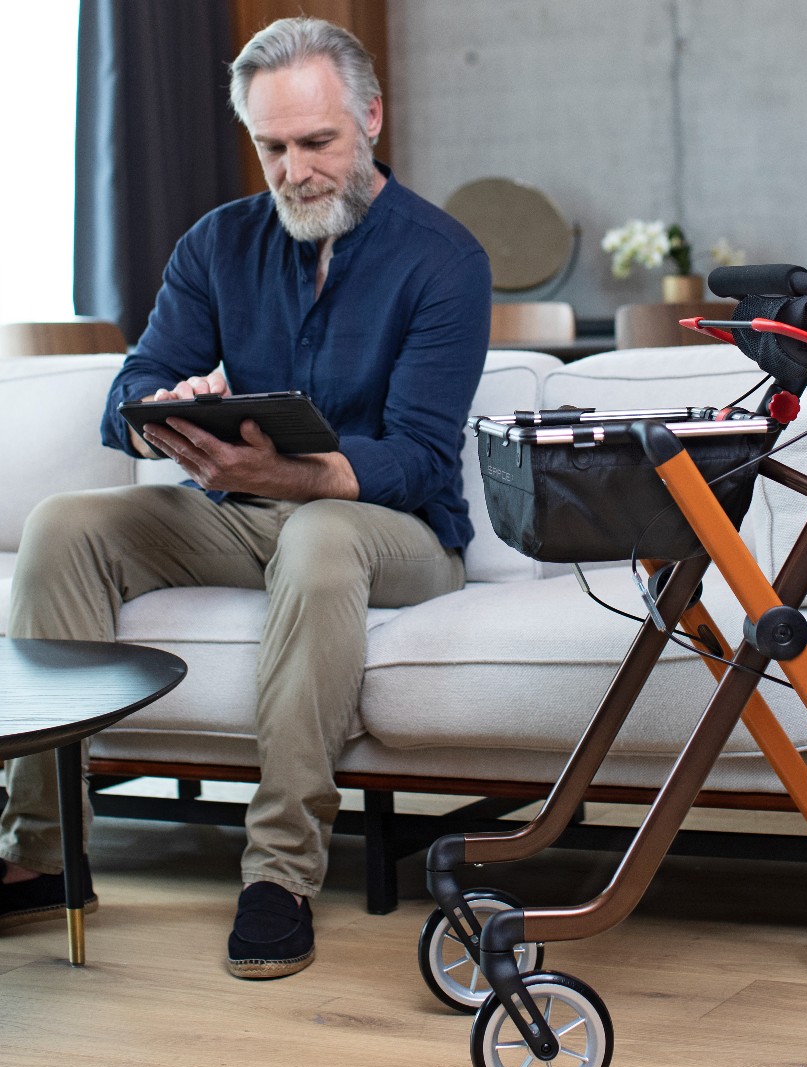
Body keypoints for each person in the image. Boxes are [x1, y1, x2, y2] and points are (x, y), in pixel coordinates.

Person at [0, 17, 491, 979]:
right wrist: (167, 414)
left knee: (316, 536)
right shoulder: (215, 245)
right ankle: (42, 851)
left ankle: (279, 873)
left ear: (372, 120)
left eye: (318, 143)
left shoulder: (445, 258)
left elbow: (422, 461)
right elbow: (125, 396)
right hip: (242, 510)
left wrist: (287, 476)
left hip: (393, 535)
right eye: (273, 147)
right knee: (64, 525)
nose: (295, 170)